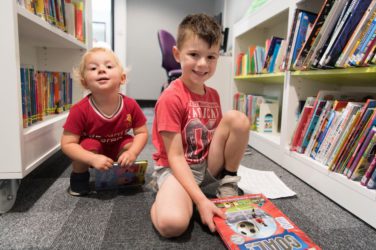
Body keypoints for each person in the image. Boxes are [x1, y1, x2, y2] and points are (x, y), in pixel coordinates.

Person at [150, 13, 250, 238]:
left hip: (205, 164)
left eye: (211, 57)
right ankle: (162, 195)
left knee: (239, 119)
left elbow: (215, 136)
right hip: (177, 170)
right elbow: (175, 157)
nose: (203, 64)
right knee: (172, 225)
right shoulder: (170, 97)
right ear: (177, 54)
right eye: (194, 54)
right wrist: (201, 200)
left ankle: (228, 182)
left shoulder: (212, 94)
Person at [61, 47, 148, 196]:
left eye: (108, 66)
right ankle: (79, 179)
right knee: (85, 146)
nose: (101, 70)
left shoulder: (131, 104)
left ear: (122, 78)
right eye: (93, 68)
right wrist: (92, 158)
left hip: (119, 145)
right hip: (93, 148)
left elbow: (142, 132)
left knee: (129, 143)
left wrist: (133, 153)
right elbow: (67, 144)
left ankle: (124, 176)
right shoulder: (79, 109)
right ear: (84, 82)